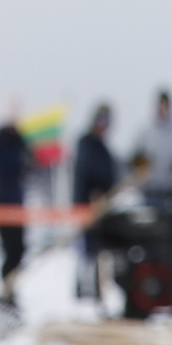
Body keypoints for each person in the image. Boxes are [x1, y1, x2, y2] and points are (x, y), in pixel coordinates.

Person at [70, 102, 119, 305]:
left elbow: (110, 176)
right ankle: (83, 287)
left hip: (102, 208)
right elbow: (86, 172)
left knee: (98, 250)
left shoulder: (105, 150)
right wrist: (92, 195)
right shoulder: (86, 144)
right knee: (85, 250)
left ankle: (96, 288)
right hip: (86, 207)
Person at [0, 103, 31, 307]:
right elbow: (0, 165)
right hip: (2, 203)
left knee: (19, 249)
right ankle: (5, 287)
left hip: (18, 204)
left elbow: (30, 163)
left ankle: (11, 287)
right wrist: (19, 161)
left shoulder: (22, 140)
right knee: (8, 249)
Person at [133, 88, 172, 201]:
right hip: (149, 190)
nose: (163, 109)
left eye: (166, 105)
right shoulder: (145, 131)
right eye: (161, 105)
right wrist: (142, 165)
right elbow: (134, 158)